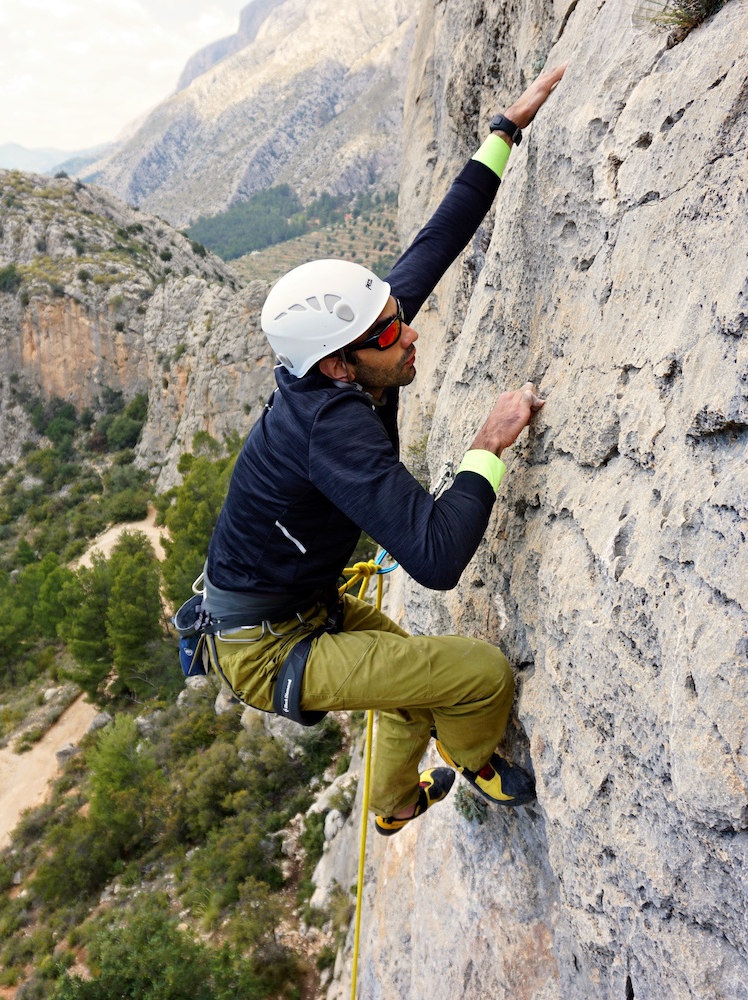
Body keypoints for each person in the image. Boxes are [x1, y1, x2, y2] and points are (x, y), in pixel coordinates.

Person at [200, 65, 566, 835]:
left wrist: (506, 128)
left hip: (296, 605)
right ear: (337, 364)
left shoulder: (358, 345)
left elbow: (439, 239)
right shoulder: (327, 427)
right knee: (477, 676)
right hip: (267, 648)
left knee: (406, 689)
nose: (411, 335)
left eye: (398, 317)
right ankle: (474, 762)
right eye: (393, 333)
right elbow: (436, 558)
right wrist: (488, 446)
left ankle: (393, 802)